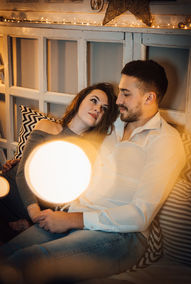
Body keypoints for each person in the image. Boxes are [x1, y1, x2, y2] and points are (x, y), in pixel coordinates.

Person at [0, 60, 185, 283]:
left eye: (126, 94)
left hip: (121, 236)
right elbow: (69, 137)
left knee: (25, 263)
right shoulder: (111, 123)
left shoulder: (165, 142)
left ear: (149, 98)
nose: (118, 101)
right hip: (70, 217)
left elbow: (140, 215)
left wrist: (74, 220)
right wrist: (25, 160)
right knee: (5, 255)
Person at [0, 82, 118, 235]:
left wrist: (38, 217)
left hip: (40, 210)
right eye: (94, 100)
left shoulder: (91, 152)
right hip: (12, 190)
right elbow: (23, 172)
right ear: (80, 101)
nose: (98, 109)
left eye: (104, 108)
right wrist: (34, 214)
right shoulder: (46, 126)